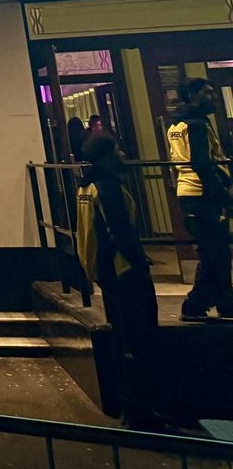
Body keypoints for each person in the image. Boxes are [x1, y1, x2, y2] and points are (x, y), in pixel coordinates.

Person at [76, 133, 162, 430]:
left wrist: (92, 270)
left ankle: (127, 405)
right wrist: (139, 262)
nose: (122, 153)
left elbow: (86, 234)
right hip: (124, 272)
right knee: (137, 338)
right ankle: (140, 410)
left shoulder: (85, 187)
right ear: (107, 155)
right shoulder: (107, 187)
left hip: (106, 272)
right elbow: (120, 231)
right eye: (117, 149)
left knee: (120, 337)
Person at [167, 77, 233, 321]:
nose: (213, 98)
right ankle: (196, 303)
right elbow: (202, 163)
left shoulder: (176, 124)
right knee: (215, 252)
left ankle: (224, 301)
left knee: (216, 251)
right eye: (207, 93)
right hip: (202, 194)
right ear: (192, 96)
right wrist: (222, 194)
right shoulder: (197, 124)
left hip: (189, 194)